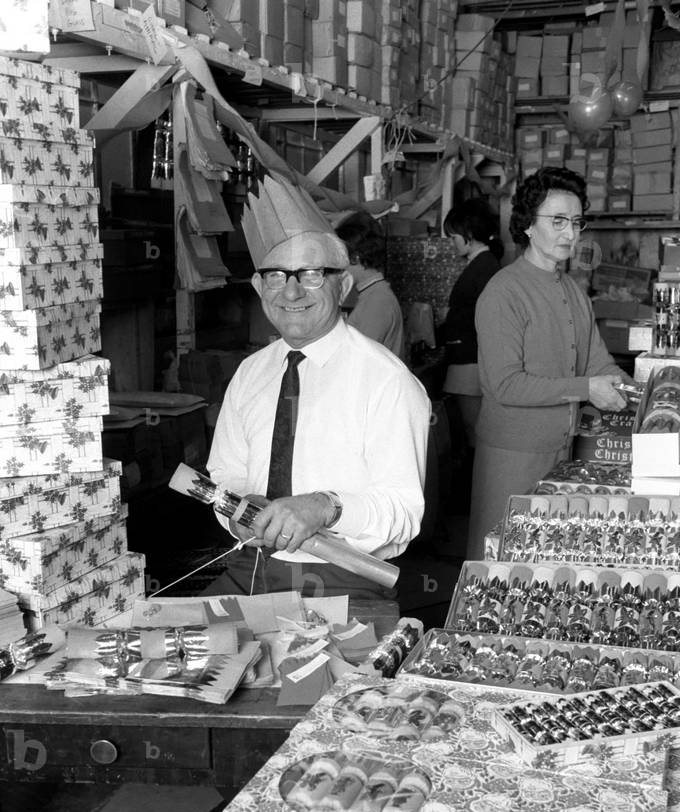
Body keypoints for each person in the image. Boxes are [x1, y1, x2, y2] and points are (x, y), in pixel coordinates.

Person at [204, 175, 431, 599]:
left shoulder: (388, 382)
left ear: (342, 286)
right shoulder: (251, 373)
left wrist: (324, 507)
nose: (291, 291)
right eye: (276, 276)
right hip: (248, 566)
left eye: (310, 274)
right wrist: (237, 510)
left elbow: (403, 512)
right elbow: (225, 472)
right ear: (258, 287)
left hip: (346, 578)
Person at [467, 166, 628, 560]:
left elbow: (597, 362)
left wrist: (653, 396)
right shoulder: (504, 291)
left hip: (562, 455)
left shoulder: (572, 291)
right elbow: (504, 385)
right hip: (511, 458)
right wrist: (585, 389)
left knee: (543, 574)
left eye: (575, 222)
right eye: (557, 221)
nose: (570, 234)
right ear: (526, 226)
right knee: (498, 569)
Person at [437, 198, 502, 449]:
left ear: (470, 235)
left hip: (471, 358)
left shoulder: (484, 267)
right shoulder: (480, 265)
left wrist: (449, 323)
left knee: (473, 431)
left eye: (453, 237)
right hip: (467, 356)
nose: (452, 244)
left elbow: (484, 317)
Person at [336, 210, 405, 360]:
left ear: (356, 257)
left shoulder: (377, 301)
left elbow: (358, 358)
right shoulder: (373, 294)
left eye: (341, 256)